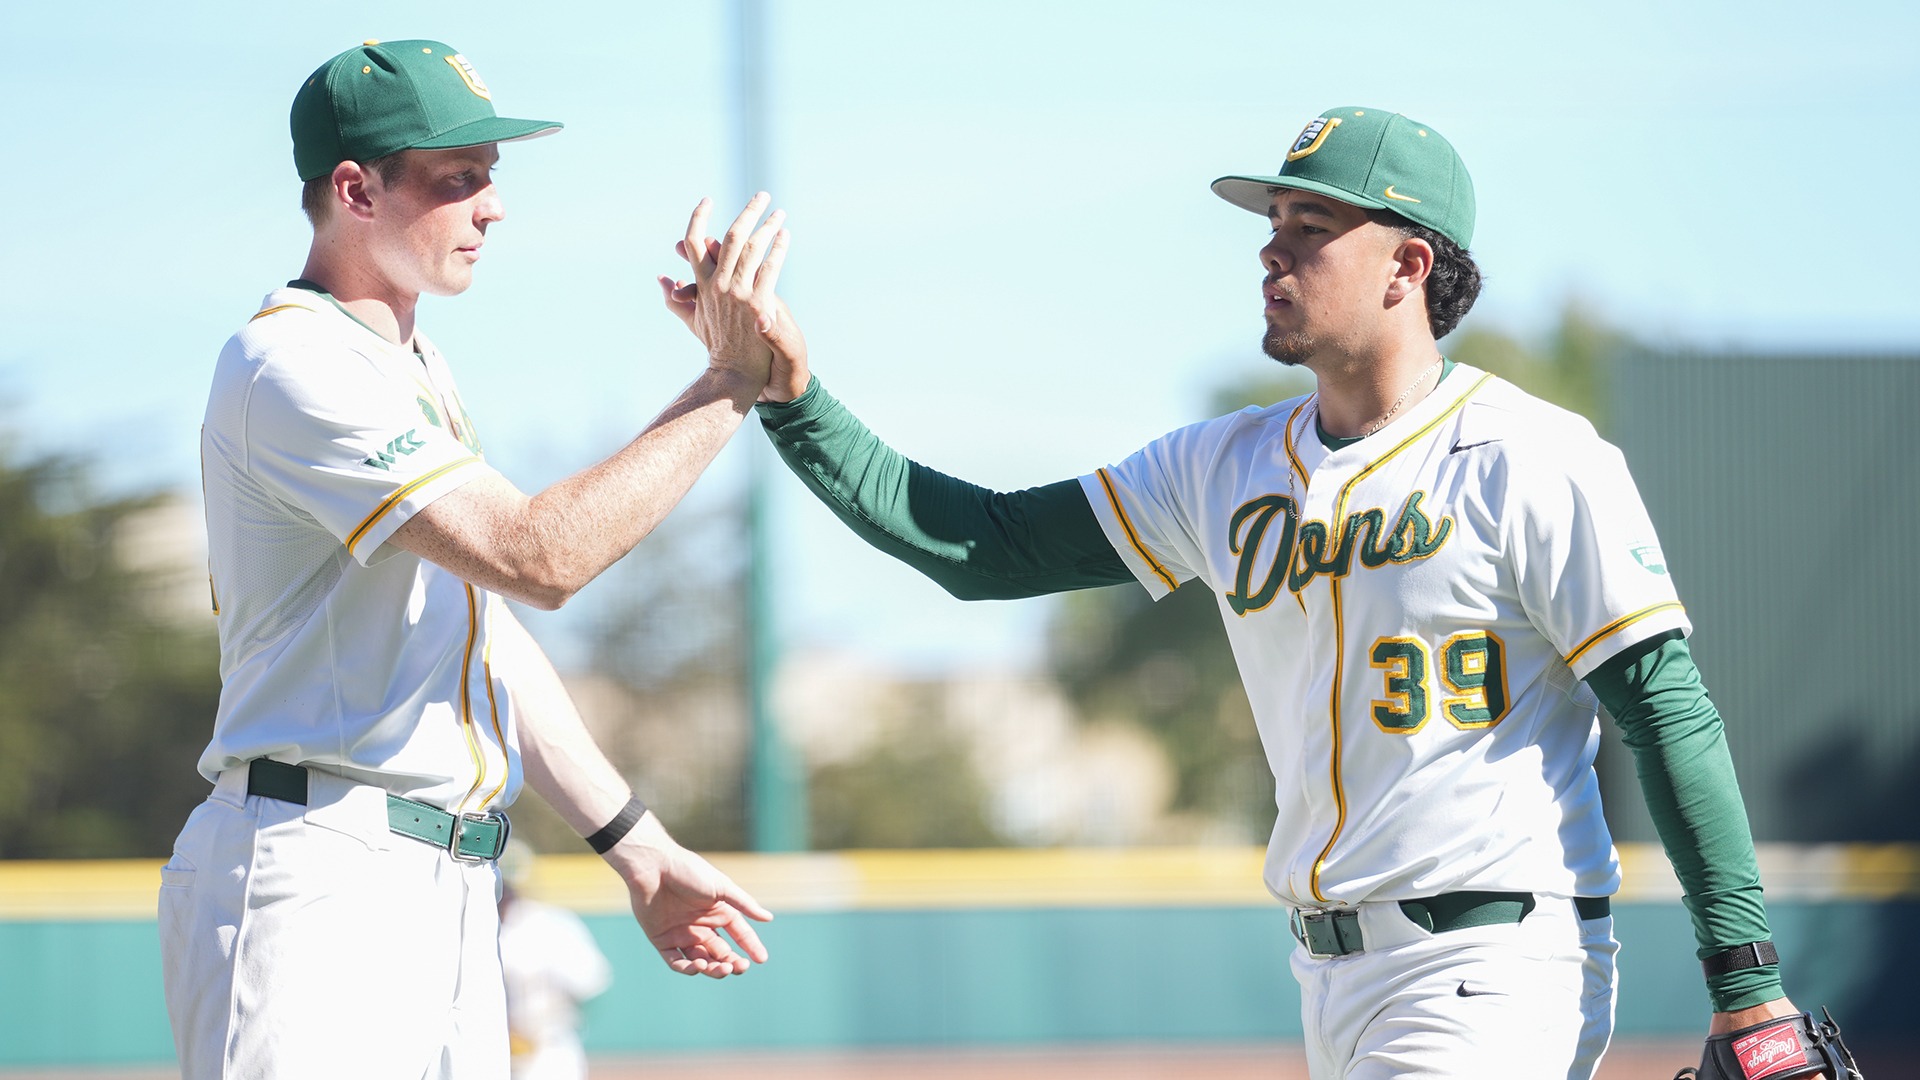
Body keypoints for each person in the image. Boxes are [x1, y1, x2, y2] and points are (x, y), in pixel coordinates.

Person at [664, 107, 1818, 1079]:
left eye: (1310, 229)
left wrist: (1748, 982)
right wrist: (792, 398)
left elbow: (1664, 706)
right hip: (1328, 975)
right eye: (1271, 228)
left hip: (1494, 960)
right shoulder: (1221, 467)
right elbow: (981, 546)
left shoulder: (1532, 454)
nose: (1272, 254)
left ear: (1409, 265)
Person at [162, 39, 789, 1079]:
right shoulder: (292, 361)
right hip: (317, 872)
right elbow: (538, 556)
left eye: (489, 178)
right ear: (356, 190)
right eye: (457, 181)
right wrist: (732, 381)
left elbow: (481, 631)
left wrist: (634, 844)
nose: (490, 207)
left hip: (449, 888)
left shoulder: (412, 368)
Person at [496, 841, 613, 1080]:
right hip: (483, 1048)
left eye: (506, 887)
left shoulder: (551, 925)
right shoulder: (469, 925)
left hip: (548, 1048)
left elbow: (590, 980)